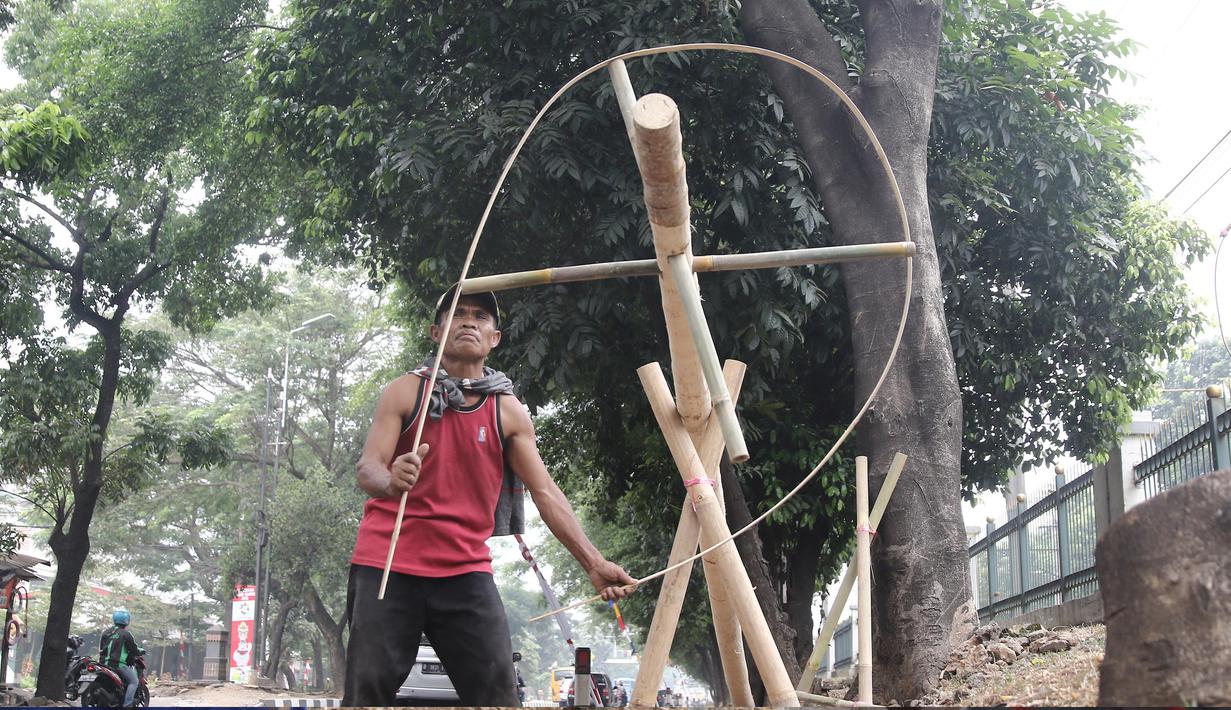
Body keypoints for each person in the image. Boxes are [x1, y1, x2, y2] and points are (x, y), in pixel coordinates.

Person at [343, 287, 636, 706]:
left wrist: (593, 562)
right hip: (388, 564)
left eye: (480, 316)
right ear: (435, 331)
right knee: (366, 691)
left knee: (498, 695)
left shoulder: (508, 410)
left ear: (494, 338)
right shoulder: (406, 392)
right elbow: (368, 467)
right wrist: (391, 479)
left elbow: (545, 491)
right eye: (457, 314)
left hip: (465, 570)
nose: (468, 321)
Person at [99, 609, 142, 708]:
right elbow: (133, 649)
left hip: (103, 664)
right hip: (118, 664)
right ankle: (127, 705)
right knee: (134, 681)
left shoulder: (106, 633)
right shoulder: (126, 634)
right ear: (127, 621)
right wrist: (139, 652)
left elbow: (102, 648)